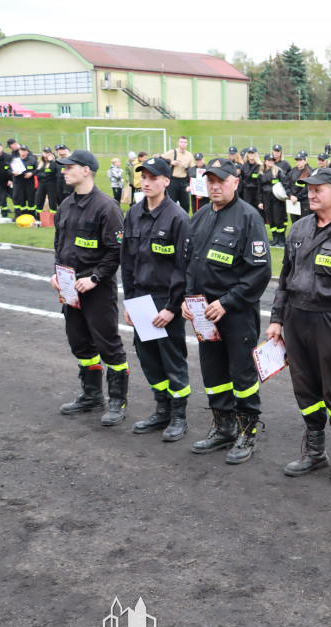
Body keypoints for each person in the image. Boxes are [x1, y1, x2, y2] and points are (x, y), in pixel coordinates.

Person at [269, 168, 331, 484]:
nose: (311, 194)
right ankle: (315, 451)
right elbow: (284, 280)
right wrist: (276, 320)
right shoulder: (298, 229)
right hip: (297, 319)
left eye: (319, 189)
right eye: (309, 189)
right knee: (304, 387)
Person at [182, 158, 271, 464]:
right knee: (213, 373)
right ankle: (224, 428)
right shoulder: (200, 216)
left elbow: (259, 272)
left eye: (220, 180)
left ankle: (247, 433)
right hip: (204, 315)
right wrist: (186, 298)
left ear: (236, 181)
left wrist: (227, 302)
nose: (214, 186)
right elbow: (189, 264)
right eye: (210, 181)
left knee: (242, 375)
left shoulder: (249, 218)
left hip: (235, 314)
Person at [50, 150, 129, 426]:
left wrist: (95, 277)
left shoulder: (107, 207)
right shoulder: (66, 205)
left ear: (86, 170)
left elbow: (117, 251)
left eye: (68, 167)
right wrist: (57, 274)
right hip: (70, 289)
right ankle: (92, 394)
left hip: (97, 290)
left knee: (108, 345)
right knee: (80, 342)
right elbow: (60, 245)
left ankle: (118, 400)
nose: (63, 171)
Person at [120, 156, 191, 442]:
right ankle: (161, 408)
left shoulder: (177, 217)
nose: (146, 182)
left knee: (172, 359)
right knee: (148, 358)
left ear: (166, 181)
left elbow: (183, 268)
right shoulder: (134, 213)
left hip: (164, 300)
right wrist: (129, 301)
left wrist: (173, 308)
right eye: (143, 177)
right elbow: (127, 261)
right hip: (140, 298)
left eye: (153, 177)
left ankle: (179, 416)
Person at [282, 151, 315, 242]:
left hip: (303, 202)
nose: (298, 162)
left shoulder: (309, 172)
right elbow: (286, 184)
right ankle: (295, 240)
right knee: (294, 222)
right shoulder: (293, 171)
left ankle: (304, 240)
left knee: (304, 222)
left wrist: (298, 197)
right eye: (297, 160)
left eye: (300, 160)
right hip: (292, 201)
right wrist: (290, 195)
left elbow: (307, 187)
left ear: (305, 161)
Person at [258, 154, 287, 246]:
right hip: (266, 198)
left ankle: (281, 239)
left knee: (278, 219)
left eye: (272, 160)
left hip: (277, 199)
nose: (271, 162)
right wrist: (260, 201)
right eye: (269, 160)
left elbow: (285, 184)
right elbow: (259, 189)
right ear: (265, 161)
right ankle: (275, 238)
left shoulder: (278, 171)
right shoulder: (261, 173)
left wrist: (285, 195)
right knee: (270, 219)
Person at [162, 136, 194, 213]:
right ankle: (170, 221)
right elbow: (160, 158)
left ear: (187, 144)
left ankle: (184, 222)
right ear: (178, 143)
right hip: (173, 181)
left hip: (184, 182)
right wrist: (170, 162)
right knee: (171, 203)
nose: (183, 144)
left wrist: (186, 167)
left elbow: (193, 170)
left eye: (185, 142)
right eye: (181, 142)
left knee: (185, 204)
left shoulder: (189, 155)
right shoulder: (172, 152)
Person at [11, 145, 38, 219]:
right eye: (21, 150)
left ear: (27, 152)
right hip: (18, 182)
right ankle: (19, 214)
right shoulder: (15, 160)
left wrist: (31, 173)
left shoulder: (32, 160)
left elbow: (37, 169)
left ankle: (32, 215)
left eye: (24, 150)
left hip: (29, 182)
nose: (23, 152)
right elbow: (8, 170)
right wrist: (13, 172)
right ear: (19, 151)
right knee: (18, 198)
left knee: (31, 198)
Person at [34, 147, 60, 217]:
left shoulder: (53, 163)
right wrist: (42, 174)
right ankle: (38, 216)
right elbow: (36, 172)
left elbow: (52, 171)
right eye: (44, 152)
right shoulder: (40, 163)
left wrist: (51, 161)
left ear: (50, 154)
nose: (46, 154)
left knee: (52, 201)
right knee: (39, 199)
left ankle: (53, 217)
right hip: (41, 183)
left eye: (47, 152)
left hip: (51, 184)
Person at [240, 147, 262, 222]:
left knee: (257, 209)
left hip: (257, 190)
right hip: (247, 191)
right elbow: (242, 178)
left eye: (252, 153)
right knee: (247, 208)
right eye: (249, 153)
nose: (251, 155)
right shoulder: (244, 166)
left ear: (255, 154)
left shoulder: (260, 166)